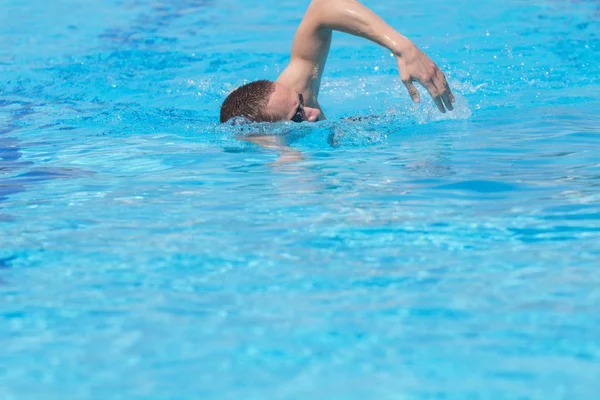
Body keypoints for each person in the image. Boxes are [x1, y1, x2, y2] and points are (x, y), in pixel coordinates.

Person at [220, 0, 455, 124]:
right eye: (298, 117)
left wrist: (404, 48)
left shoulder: (294, 93)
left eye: (301, 102)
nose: (313, 111)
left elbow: (323, 5)